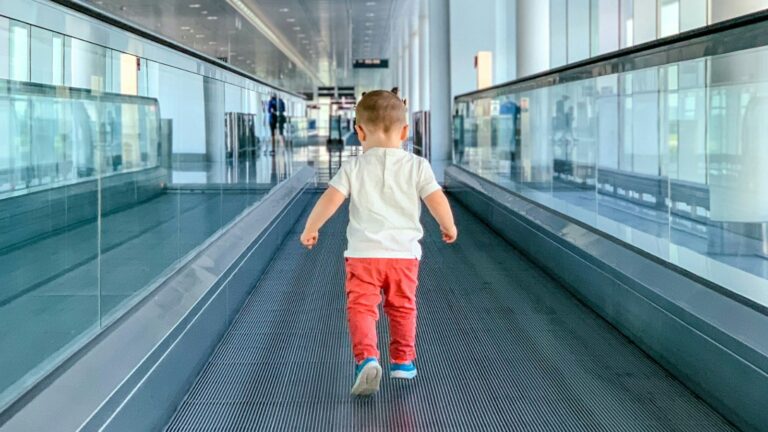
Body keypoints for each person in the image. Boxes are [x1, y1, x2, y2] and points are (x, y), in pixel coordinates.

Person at [299, 90, 458, 396]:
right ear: (405, 131)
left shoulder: (354, 167)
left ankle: (367, 359)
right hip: (404, 257)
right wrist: (447, 224)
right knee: (402, 308)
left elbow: (330, 199)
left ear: (359, 132)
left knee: (361, 308)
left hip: (362, 255)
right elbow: (436, 198)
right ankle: (403, 360)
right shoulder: (418, 166)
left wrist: (311, 228)